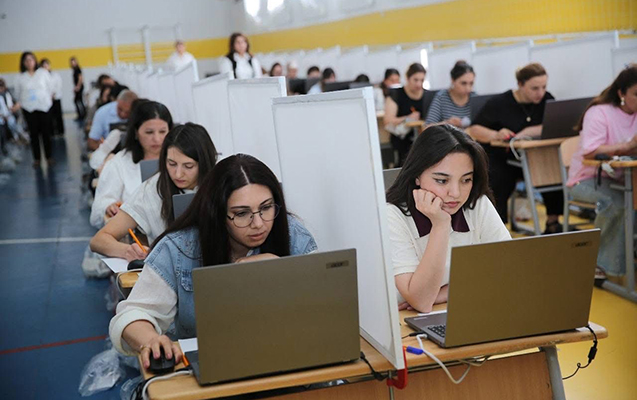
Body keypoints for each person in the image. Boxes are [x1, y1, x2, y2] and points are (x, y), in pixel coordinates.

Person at [108, 154, 318, 365]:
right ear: (217, 213)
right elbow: (131, 315)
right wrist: (151, 340)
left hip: (287, 358)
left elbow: (323, 306)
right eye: (241, 213)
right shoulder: (180, 248)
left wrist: (281, 271)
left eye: (266, 208)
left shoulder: (292, 234)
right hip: (213, 365)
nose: (258, 224)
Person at [386, 124, 510, 312]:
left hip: (466, 309)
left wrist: (442, 293)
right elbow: (422, 301)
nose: (455, 193)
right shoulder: (393, 215)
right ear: (417, 175)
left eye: (466, 180)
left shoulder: (477, 203)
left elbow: (508, 269)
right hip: (403, 321)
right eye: (442, 181)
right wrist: (441, 225)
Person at [90, 123, 217, 260]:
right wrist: (127, 250)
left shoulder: (220, 184)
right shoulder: (152, 190)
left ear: (204, 163)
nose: (178, 174)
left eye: (188, 166)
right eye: (172, 164)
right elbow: (98, 241)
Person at [468, 63, 564, 233]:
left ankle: (553, 222)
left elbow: (554, 124)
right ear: (520, 84)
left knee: (552, 171)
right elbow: (474, 129)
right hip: (503, 157)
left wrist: (527, 132)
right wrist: (496, 134)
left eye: (544, 87)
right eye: (535, 88)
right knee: (499, 177)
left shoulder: (547, 100)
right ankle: (497, 228)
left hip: (535, 156)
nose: (540, 93)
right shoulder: (499, 103)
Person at [567, 65, 637, 278]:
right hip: (586, 180)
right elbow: (590, 152)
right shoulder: (599, 113)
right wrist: (628, 146)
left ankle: (626, 255)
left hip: (623, 178)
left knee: (631, 199)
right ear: (621, 93)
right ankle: (602, 264)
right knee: (618, 202)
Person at [90, 99, 172, 229]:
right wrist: (109, 206)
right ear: (136, 132)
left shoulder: (178, 161)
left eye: (162, 132)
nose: (157, 139)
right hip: (134, 235)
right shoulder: (120, 163)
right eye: (149, 132)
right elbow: (99, 207)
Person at [14, 51, 54, 167]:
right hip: (29, 108)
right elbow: (18, 93)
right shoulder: (20, 77)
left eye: (31, 59)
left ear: (35, 61)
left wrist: (48, 99)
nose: (29, 62)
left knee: (46, 133)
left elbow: (50, 87)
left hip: (43, 107)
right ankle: (37, 158)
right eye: (26, 60)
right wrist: (20, 103)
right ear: (23, 63)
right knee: (33, 134)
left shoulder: (42, 73)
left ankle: (49, 156)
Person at [383, 63, 427, 167]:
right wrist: (408, 118)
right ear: (407, 78)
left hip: (424, 138)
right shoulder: (396, 94)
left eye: (422, 80)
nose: (419, 84)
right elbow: (388, 121)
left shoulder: (427, 95)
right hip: (402, 140)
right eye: (415, 80)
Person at [425, 61, 475, 128]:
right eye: (463, 83)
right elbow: (427, 127)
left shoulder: (475, 98)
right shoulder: (441, 97)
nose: (468, 88)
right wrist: (447, 123)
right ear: (453, 80)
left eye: (471, 83)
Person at [40, 59, 64, 137]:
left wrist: (54, 94)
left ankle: (60, 131)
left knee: (58, 115)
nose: (45, 67)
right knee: (49, 116)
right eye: (43, 66)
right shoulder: (40, 77)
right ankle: (52, 131)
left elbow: (58, 85)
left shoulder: (55, 75)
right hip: (46, 99)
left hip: (56, 97)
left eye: (46, 65)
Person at [69, 57, 86, 121]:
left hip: (79, 87)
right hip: (78, 87)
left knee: (77, 100)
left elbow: (80, 78)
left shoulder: (78, 69)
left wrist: (78, 86)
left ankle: (82, 114)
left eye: (74, 62)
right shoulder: (74, 69)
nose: (73, 63)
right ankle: (82, 114)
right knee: (79, 101)